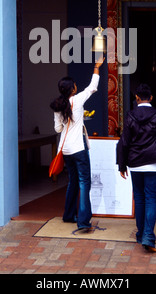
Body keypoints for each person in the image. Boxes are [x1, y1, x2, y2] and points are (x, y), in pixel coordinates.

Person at [116, 83, 156, 253]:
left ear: (137, 98)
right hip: (155, 163)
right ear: (151, 98)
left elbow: (124, 142)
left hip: (135, 163)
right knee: (152, 199)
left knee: (139, 199)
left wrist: (122, 164)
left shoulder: (130, 116)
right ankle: (148, 236)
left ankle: (141, 234)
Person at [50, 57, 105, 231]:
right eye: (74, 85)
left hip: (65, 150)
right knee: (84, 183)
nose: (76, 87)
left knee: (73, 181)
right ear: (72, 89)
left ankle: (68, 215)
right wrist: (96, 67)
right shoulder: (77, 100)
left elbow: (58, 129)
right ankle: (83, 221)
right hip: (78, 149)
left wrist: (67, 122)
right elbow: (92, 87)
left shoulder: (59, 106)